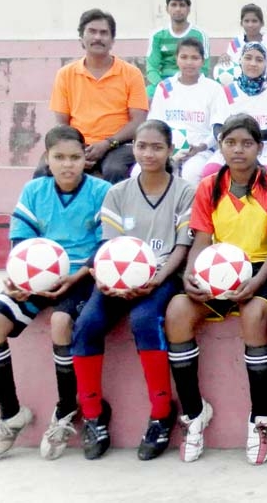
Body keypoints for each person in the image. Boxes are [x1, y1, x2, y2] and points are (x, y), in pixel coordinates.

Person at [0, 126, 110, 461]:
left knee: (60, 323)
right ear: (47, 159)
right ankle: (11, 416)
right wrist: (18, 278)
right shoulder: (34, 191)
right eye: (59, 157)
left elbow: (106, 246)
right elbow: (21, 244)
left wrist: (76, 275)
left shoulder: (101, 191)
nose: (68, 164)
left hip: (81, 276)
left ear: (86, 159)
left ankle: (65, 410)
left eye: (75, 157)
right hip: (37, 279)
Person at [165, 115, 267, 465]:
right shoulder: (209, 186)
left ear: (259, 148)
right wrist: (191, 274)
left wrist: (255, 283)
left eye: (247, 143)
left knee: (254, 314)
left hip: (262, 269)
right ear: (221, 147)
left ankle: (260, 418)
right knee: (177, 312)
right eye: (231, 143)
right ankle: (193, 414)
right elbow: (201, 239)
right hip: (218, 270)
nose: (238, 150)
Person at [71, 120, 195, 461]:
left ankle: (160, 412)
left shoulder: (185, 191)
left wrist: (157, 278)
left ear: (170, 150)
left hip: (161, 275)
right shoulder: (118, 192)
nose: (148, 153)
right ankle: (94, 415)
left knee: (145, 319)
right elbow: (110, 247)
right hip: (118, 277)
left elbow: (182, 248)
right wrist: (109, 280)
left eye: (156, 147)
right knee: (86, 324)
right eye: (142, 146)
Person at [46, 8, 148, 183]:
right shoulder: (66, 74)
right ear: (81, 39)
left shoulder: (131, 73)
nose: (98, 37)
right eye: (92, 32)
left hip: (119, 145)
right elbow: (61, 123)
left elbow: (138, 120)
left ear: (112, 40)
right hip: (77, 144)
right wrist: (75, 151)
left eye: (104, 33)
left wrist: (108, 143)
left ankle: (112, 212)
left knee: (114, 170)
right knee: (45, 170)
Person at [147, 38, 226, 183]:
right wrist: (164, 150)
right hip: (166, 149)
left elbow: (218, 127)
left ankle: (192, 206)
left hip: (201, 150)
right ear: (176, 59)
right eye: (184, 57)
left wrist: (200, 147)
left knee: (191, 173)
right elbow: (154, 123)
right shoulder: (165, 87)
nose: (189, 62)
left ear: (202, 61)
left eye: (194, 58)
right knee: (140, 172)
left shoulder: (214, 89)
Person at [203, 43, 267, 176]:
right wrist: (234, 142)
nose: (253, 63)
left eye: (259, 59)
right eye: (248, 58)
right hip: (231, 146)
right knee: (211, 171)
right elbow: (218, 126)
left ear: (266, 64)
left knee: (264, 174)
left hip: (264, 147)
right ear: (240, 60)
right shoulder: (227, 91)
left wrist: (248, 140)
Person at [145, 0, 210, 98]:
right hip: (163, 83)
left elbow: (204, 67)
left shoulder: (200, 35)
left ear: (188, 10)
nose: (178, 9)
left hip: (192, 81)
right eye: (174, 5)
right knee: (144, 98)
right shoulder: (157, 35)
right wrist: (162, 86)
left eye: (182, 5)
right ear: (167, 9)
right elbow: (152, 66)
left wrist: (187, 85)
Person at [220, 4, 267, 84]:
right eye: (246, 21)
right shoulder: (235, 43)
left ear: (262, 23)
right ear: (241, 23)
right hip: (240, 86)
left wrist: (261, 86)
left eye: (254, 21)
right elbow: (232, 68)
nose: (250, 25)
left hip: (265, 86)